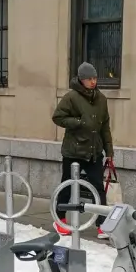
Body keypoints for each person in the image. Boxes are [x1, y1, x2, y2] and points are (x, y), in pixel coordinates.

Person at [52, 62, 114, 239]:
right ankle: (60, 219)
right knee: (67, 187)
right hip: (74, 152)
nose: (93, 82)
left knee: (98, 188)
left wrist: (109, 152)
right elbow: (57, 117)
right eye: (89, 79)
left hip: (94, 151)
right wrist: (78, 123)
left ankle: (102, 225)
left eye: (95, 78)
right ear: (81, 79)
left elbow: (105, 127)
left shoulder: (101, 99)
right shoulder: (71, 97)